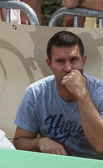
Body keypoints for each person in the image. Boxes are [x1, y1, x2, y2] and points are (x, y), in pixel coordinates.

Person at [13, 31, 103, 159]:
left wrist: (82, 94)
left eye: (74, 60)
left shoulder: (99, 92)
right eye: (60, 61)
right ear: (49, 64)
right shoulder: (36, 93)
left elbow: (101, 145)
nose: (68, 68)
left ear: (83, 60)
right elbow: (19, 142)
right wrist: (39, 142)